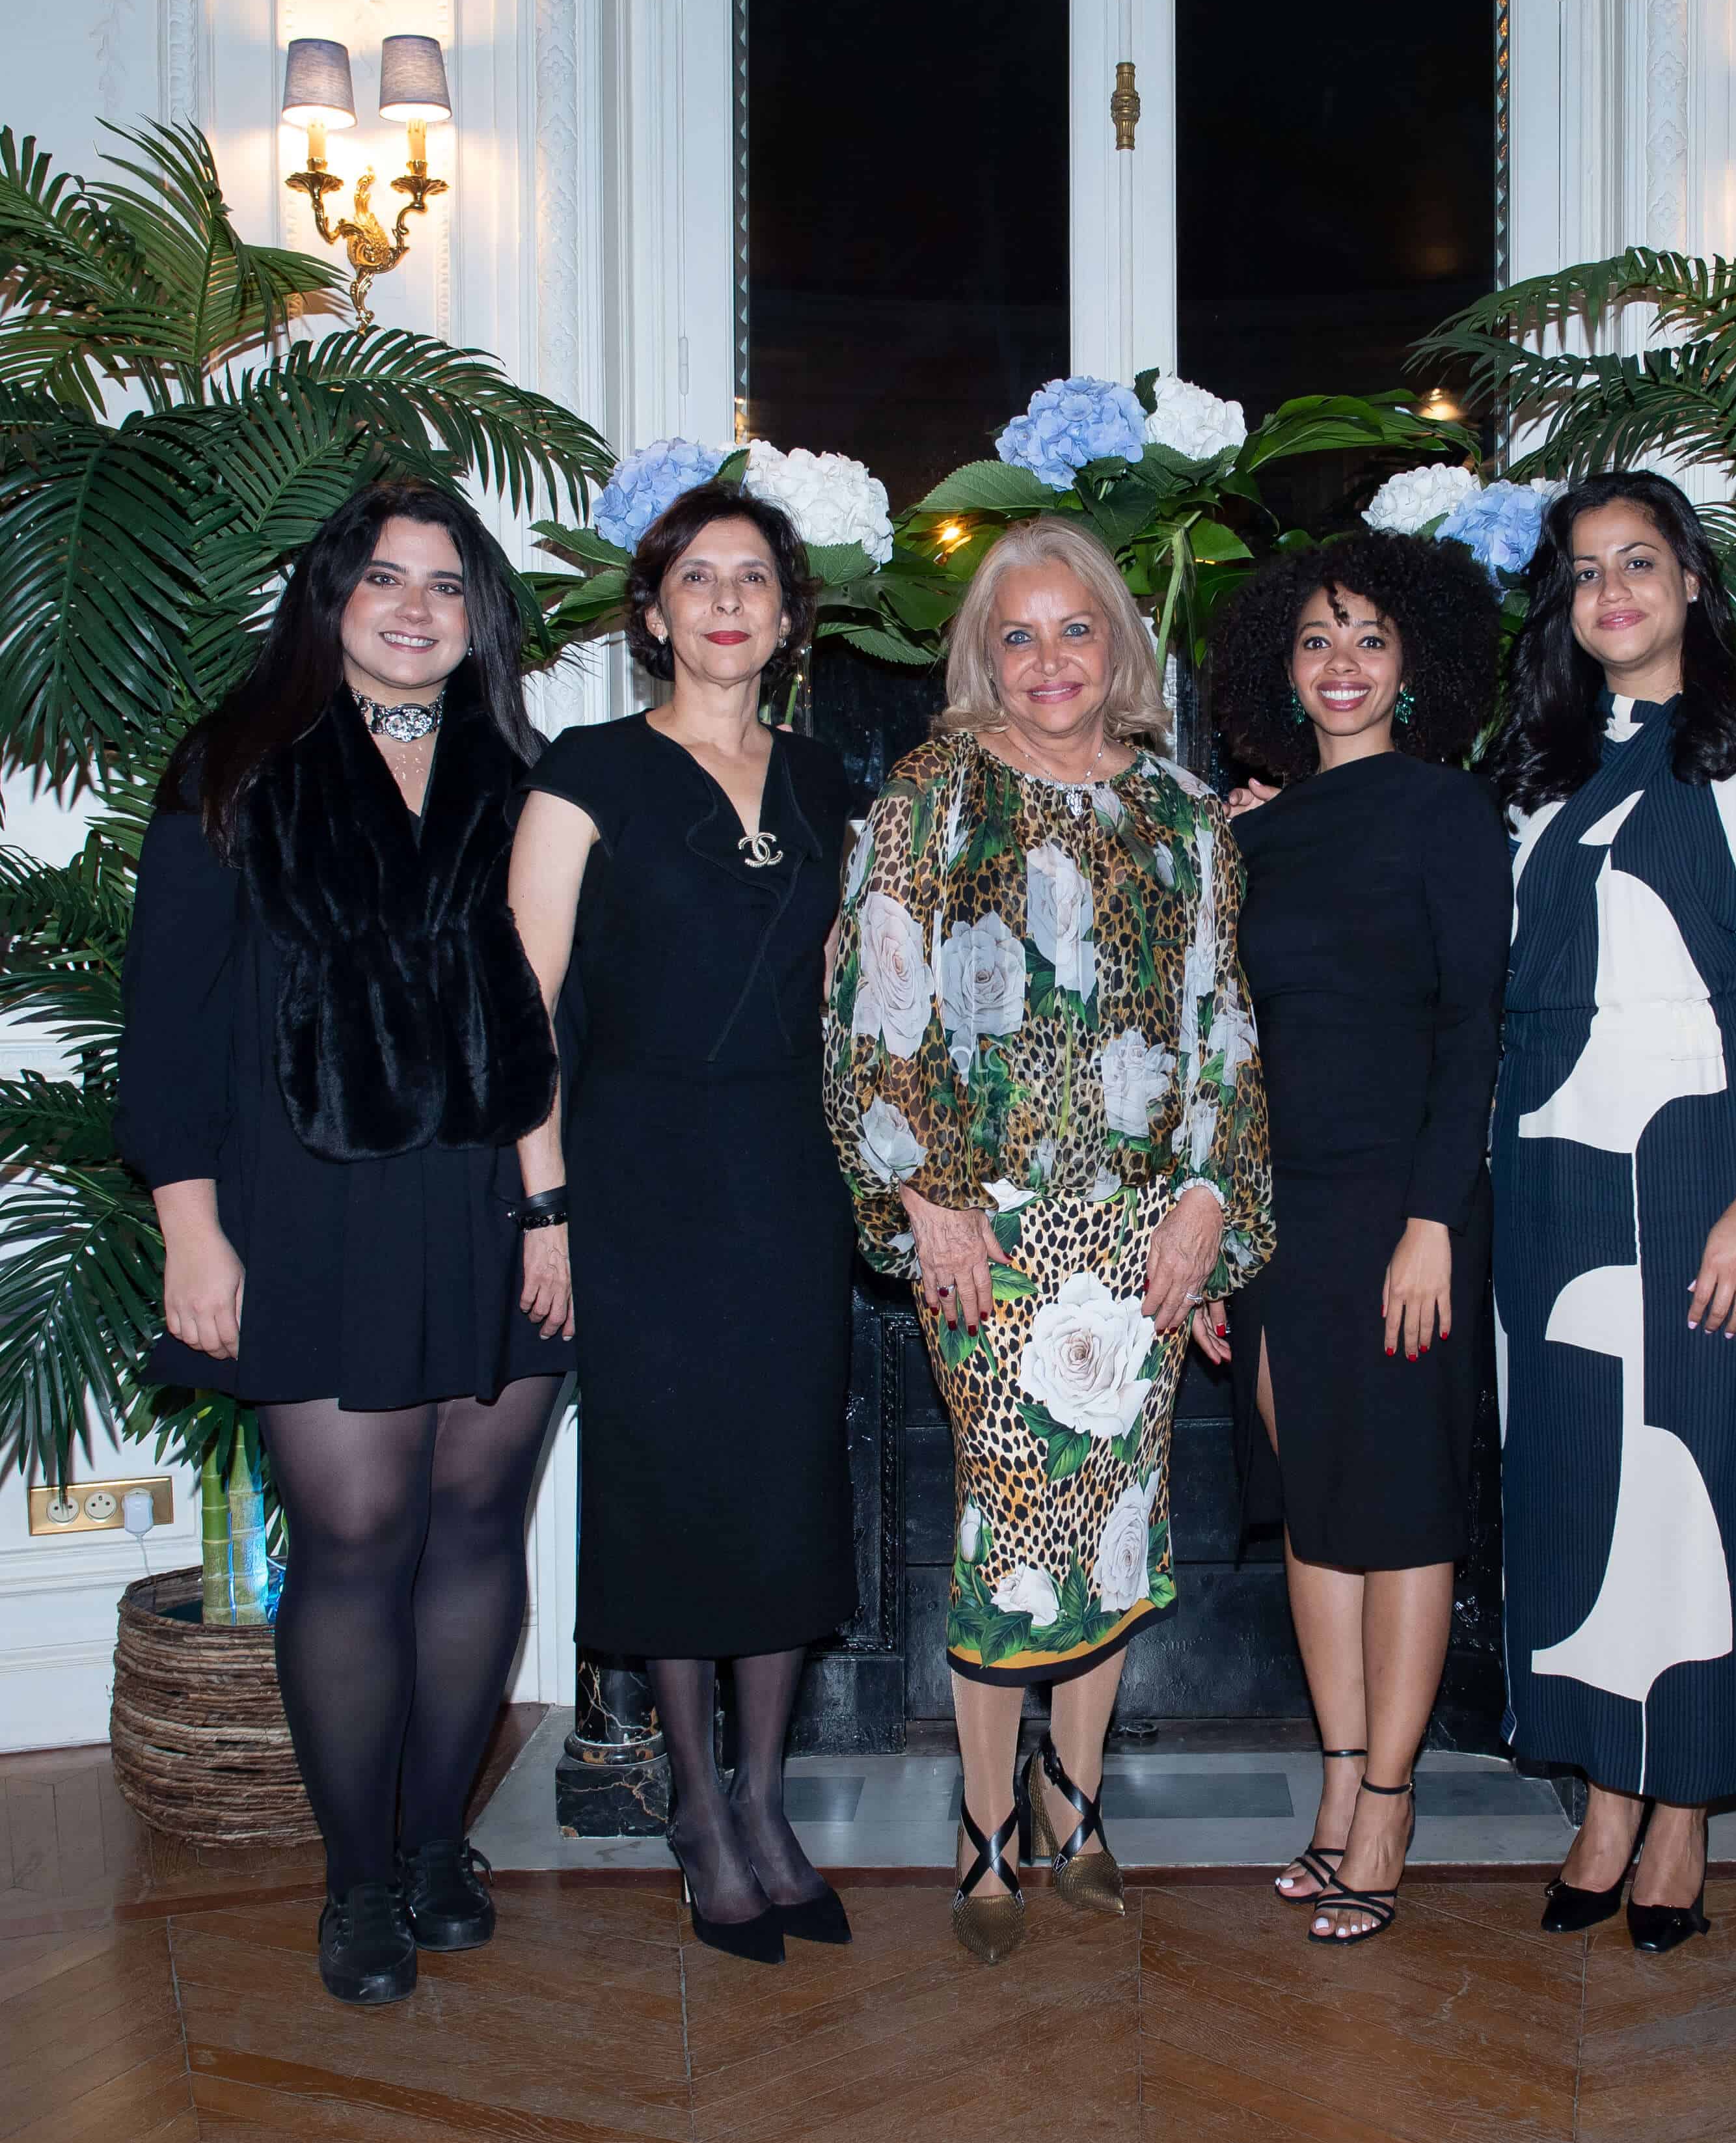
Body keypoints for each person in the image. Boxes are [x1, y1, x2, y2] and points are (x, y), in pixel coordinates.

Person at [118, 484, 573, 2006]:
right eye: (385, 579)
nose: (415, 607)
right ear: (330, 598)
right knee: (358, 1541)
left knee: (477, 1538)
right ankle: (358, 1881)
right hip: (304, 1213)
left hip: (495, 1203)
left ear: (478, 621)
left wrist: (556, 1210)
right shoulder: (235, 769)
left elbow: (557, 1014)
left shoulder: (517, 779)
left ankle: (439, 1847)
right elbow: (165, 1032)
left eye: (448, 587)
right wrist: (194, 1233)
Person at [823, 514, 1273, 1965]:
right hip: (989, 1222)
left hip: (1145, 1223)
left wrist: (1210, 1200)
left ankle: (1071, 1802)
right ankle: (978, 1815)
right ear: (980, 658)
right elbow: (870, 1007)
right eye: (1014, 634)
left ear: (1119, 645)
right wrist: (922, 1190)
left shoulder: (1184, 813)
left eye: (1073, 628)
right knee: (1013, 1523)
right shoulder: (933, 792)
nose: (1047, 659)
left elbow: (1221, 1024)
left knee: (1120, 1517)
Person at [1489, 472, 1736, 1954]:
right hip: (1550, 1170)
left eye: (1639, 561)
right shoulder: (1530, 777)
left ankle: (1684, 1802)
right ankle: (1602, 1801)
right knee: (1570, 1476)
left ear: (1692, 581)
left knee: (1694, 1470)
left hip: (1703, 1165)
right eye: (1583, 571)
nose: (1612, 590)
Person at [508, 482, 859, 1969]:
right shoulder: (584, 770)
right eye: (697, 579)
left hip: (788, 1169)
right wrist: (545, 1206)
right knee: (668, 1487)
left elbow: (867, 994)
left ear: (787, 619)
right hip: (633, 1169)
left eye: (755, 580)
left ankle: (770, 1803)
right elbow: (518, 1010)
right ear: (650, 612)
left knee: (783, 1481)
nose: (727, 601)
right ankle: (698, 1813)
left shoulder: (836, 780)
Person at [1207, 531, 1508, 1946]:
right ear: (1283, 661)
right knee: (1316, 1513)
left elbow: (1471, 1032)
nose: (1341, 664)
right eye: (1317, 638)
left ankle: (1392, 1801)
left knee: (1399, 1512)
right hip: (1278, 1214)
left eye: (1370, 638)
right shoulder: (1245, 837)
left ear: (1416, 663)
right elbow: (1220, 1057)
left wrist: (1434, 1223)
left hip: (1403, 1207)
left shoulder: (1447, 815)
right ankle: (1335, 1788)